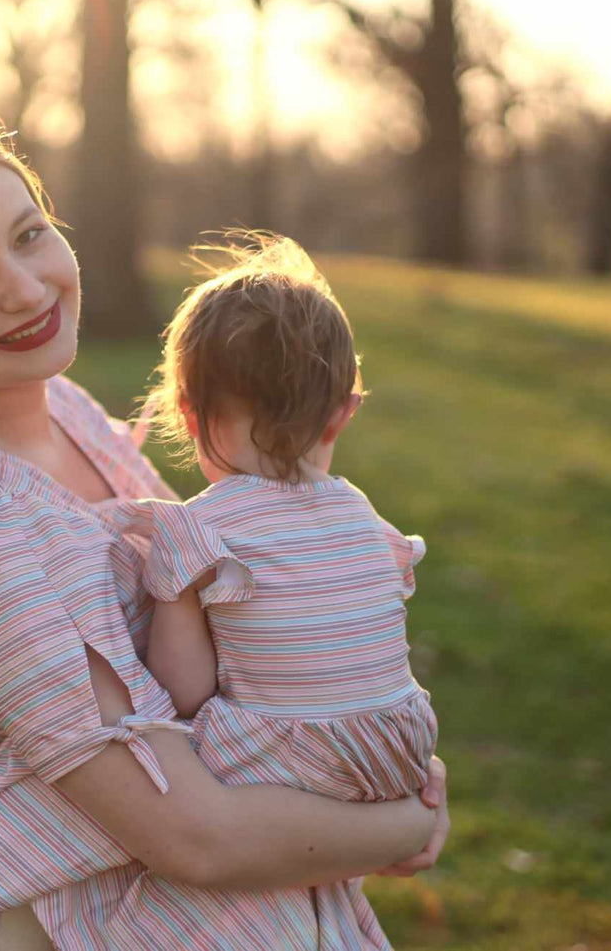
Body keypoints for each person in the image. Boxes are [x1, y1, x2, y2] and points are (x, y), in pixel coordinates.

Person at [0, 96, 450, 951]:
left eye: (29, 234)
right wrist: (401, 825)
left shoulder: (62, 410)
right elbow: (191, 833)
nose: (26, 288)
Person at [101, 233, 438, 949]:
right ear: (343, 412)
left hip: (285, 765)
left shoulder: (204, 529)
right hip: (399, 750)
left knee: (145, 786)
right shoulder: (365, 515)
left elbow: (184, 692)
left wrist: (172, 595)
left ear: (187, 415)